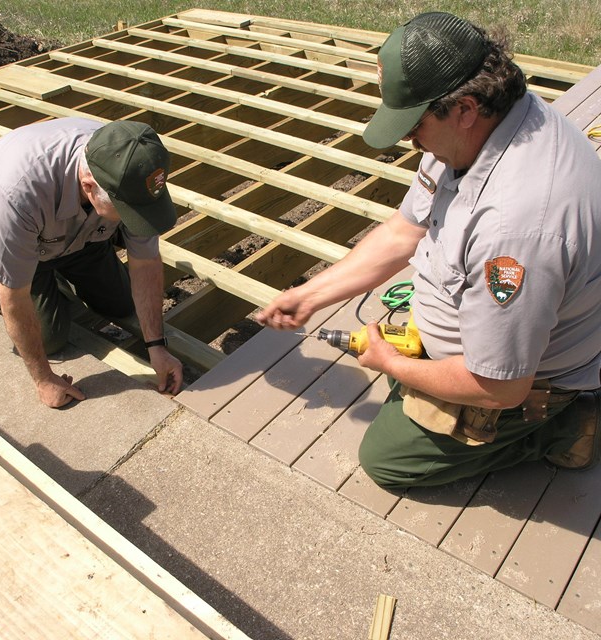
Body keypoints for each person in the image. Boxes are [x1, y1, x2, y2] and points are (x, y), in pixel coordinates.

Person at [256, 11, 601, 489]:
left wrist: (393, 364)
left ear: (464, 108)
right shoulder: (487, 122)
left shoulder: (517, 229)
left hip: (527, 381)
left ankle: (561, 426)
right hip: (498, 335)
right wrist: (312, 295)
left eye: (414, 124)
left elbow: (499, 386)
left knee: (387, 460)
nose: (407, 139)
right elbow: (404, 231)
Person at [0, 117, 183, 408]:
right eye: (128, 212)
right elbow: (13, 295)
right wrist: (43, 379)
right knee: (50, 339)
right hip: (16, 235)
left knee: (122, 305)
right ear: (89, 186)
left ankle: (70, 270)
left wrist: (156, 345)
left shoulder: (127, 165)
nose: (135, 219)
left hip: (82, 234)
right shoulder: (16, 195)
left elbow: (146, 262)